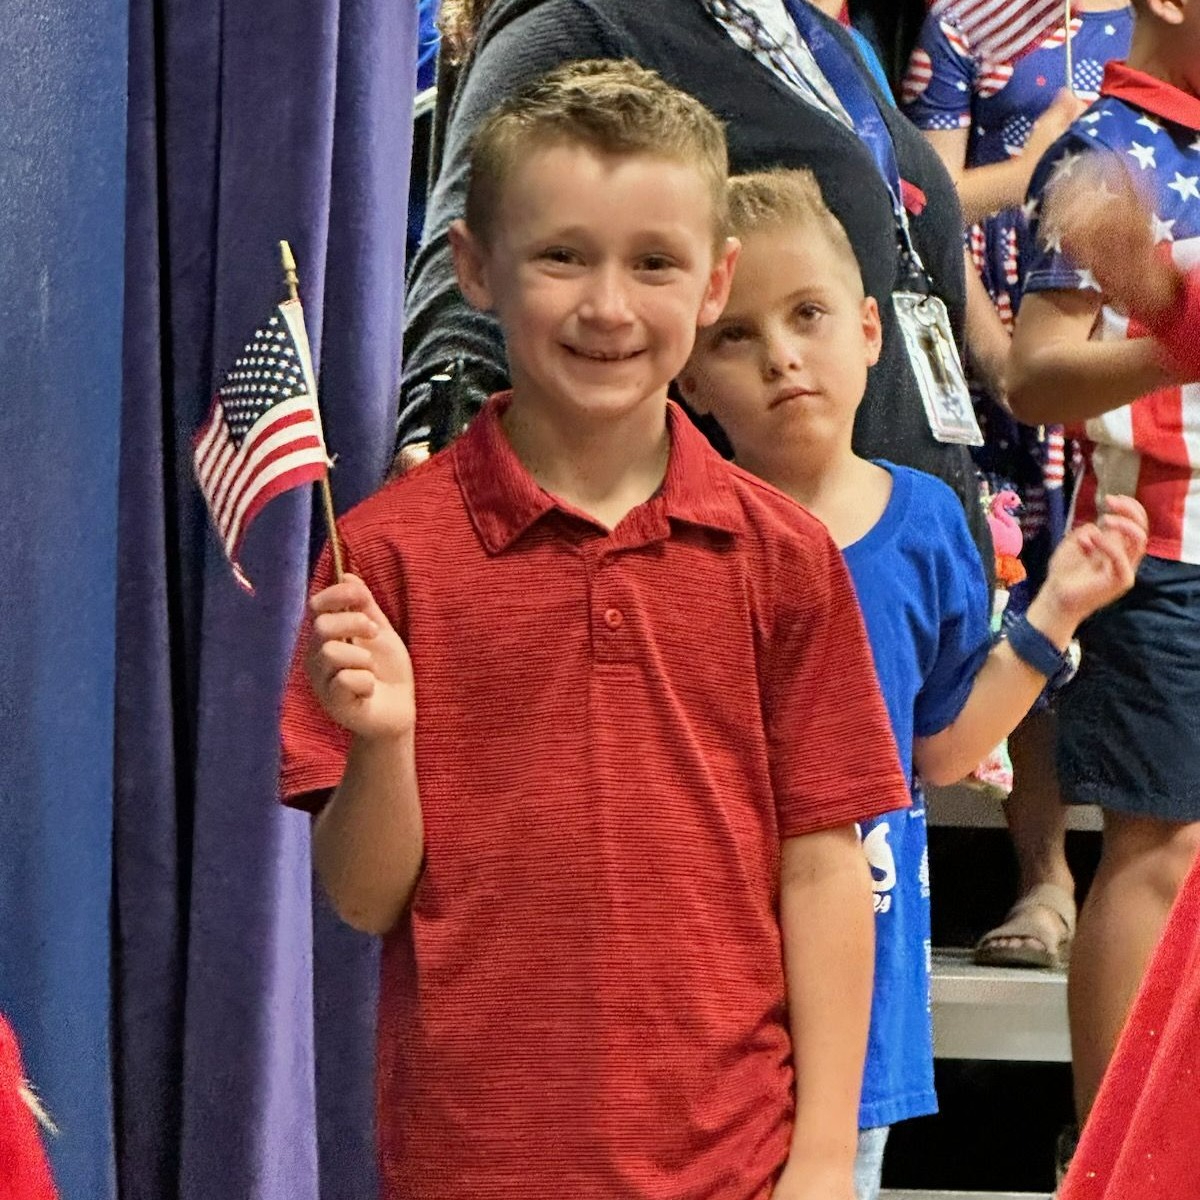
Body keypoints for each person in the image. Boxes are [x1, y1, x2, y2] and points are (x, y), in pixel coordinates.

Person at [282, 61, 913, 1200]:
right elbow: (363, 898)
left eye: (654, 262)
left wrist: (822, 1157)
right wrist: (385, 739)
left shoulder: (783, 559)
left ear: (715, 279)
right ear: (475, 265)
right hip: (469, 1166)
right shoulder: (384, 556)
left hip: (737, 1169)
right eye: (563, 255)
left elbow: (825, 873)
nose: (609, 306)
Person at [677, 168, 1148, 1200]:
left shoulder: (930, 522)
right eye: (735, 335)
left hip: (862, 992)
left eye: (807, 315)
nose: (782, 355)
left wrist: (1055, 612)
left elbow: (937, 750)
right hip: (701, 997)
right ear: (691, 378)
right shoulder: (679, 534)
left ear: (870, 332)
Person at [399, 0, 994, 574]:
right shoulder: (581, 23)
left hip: (920, 579)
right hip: (755, 596)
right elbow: (475, 277)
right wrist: (446, 450)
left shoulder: (816, 36)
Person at [903, 0, 1134, 972]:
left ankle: (1149, 866)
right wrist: (1001, 360)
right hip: (1002, 366)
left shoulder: (1159, 26)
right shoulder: (966, 23)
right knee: (1027, 601)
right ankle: (1045, 876)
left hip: (1139, 375)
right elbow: (923, 197)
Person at [1007, 0, 1200, 1157]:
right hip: (1160, 551)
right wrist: (1179, 345)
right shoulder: (1108, 152)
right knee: (1161, 846)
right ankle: (1119, 1160)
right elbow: (1034, 378)